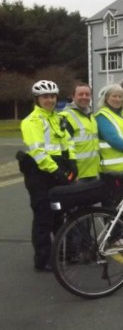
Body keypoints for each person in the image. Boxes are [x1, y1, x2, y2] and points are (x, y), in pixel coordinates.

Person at [20, 80, 76, 271]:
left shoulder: (58, 117)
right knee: (44, 217)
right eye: (45, 97)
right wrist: (56, 171)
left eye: (52, 96)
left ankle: (61, 254)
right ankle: (42, 260)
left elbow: (67, 143)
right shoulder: (30, 122)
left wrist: (73, 163)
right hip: (40, 175)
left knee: (59, 214)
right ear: (37, 99)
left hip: (57, 172)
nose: (50, 100)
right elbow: (38, 152)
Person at [59, 83, 101, 181]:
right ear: (73, 96)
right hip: (77, 175)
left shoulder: (91, 116)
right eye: (80, 94)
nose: (84, 97)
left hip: (93, 173)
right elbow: (63, 146)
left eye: (87, 94)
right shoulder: (65, 116)